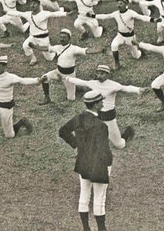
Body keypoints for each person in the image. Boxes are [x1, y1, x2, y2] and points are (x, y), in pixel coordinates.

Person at [59, 90, 113, 231]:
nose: (102, 102)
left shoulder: (79, 118)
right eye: (100, 101)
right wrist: (108, 163)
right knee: (99, 199)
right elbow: (103, 150)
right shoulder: (101, 126)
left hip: (83, 161)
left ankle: (85, 228)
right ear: (95, 105)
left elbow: (63, 130)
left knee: (84, 195)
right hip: (98, 164)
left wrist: (76, 144)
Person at [66, 64, 142, 149]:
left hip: (108, 116)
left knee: (119, 145)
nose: (99, 75)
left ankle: (127, 134)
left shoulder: (113, 85)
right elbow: (80, 82)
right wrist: (67, 78)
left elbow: (126, 88)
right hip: (97, 114)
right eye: (98, 73)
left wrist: (138, 90)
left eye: (102, 74)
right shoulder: (93, 83)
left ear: (107, 75)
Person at [0, 54, 41, 145]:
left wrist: (38, 80)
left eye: (0, 66)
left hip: (5, 108)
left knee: (9, 135)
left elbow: (23, 80)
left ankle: (22, 122)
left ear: (5, 66)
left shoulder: (10, 77)